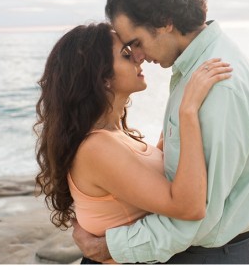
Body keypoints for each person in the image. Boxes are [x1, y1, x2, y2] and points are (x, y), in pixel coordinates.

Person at [71, 0, 249, 264]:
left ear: (164, 22)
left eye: (136, 44)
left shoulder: (218, 87)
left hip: (211, 256)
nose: (138, 57)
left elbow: (195, 214)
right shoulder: (198, 70)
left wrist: (110, 247)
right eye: (128, 50)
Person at [34, 22, 232, 264]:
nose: (139, 58)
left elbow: (156, 172)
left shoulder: (115, 135)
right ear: (102, 77)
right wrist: (187, 111)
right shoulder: (97, 148)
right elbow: (190, 208)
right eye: (126, 55)